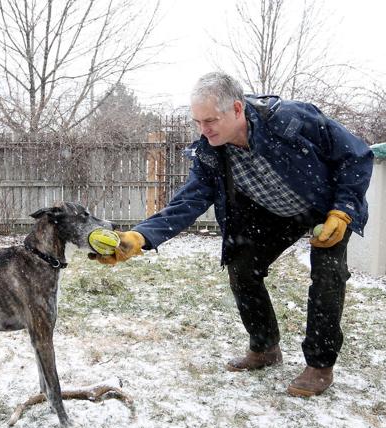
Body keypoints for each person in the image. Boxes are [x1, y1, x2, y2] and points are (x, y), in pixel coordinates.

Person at [91, 72, 373, 397]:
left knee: (328, 275)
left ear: (237, 109)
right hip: (274, 212)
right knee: (241, 266)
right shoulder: (212, 151)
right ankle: (265, 347)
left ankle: (320, 365)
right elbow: (190, 198)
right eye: (197, 122)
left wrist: (343, 209)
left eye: (210, 120)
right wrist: (141, 238)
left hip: (327, 207)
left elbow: (356, 155)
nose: (203, 129)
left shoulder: (290, 120)